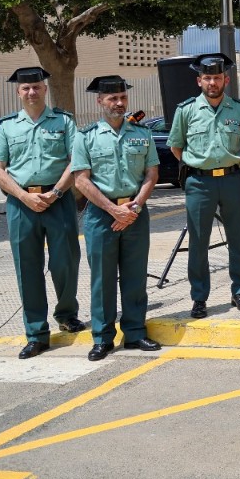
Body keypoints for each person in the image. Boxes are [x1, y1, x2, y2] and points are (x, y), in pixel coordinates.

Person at [0, 67, 85, 358]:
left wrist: (55, 192)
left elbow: (75, 161)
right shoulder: (6, 126)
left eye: (37, 87)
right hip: (21, 204)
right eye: (25, 88)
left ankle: (66, 313)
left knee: (65, 262)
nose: (31, 92)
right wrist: (22, 196)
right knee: (27, 268)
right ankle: (36, 332)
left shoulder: (64, 122)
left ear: (45, 90)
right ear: (18, 92)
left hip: (59, 201)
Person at [71, 76, 162, 360]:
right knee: (102, 279)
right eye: (112, 98)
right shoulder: (85, 136)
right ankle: (102, 338)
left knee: (135, 277)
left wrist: (133, 209)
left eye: (122, 97)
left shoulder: (141, 133)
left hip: (135, 214)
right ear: (99, 101)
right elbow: (81, 180)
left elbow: (151, 174)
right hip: (101, 217)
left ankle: (135, 332)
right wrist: (114, 210)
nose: (119, 103)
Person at [168, 53, 240, 318]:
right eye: (207, 78)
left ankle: (239, 291)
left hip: (231, 180)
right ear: (199, 81)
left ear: (226, 80)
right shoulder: (186, 110)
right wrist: (197, 165)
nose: (212, 82)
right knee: (198, 243)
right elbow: (176, 146)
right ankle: (199, 298)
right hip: (200, 183)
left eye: (217, 77)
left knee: (237, 239)